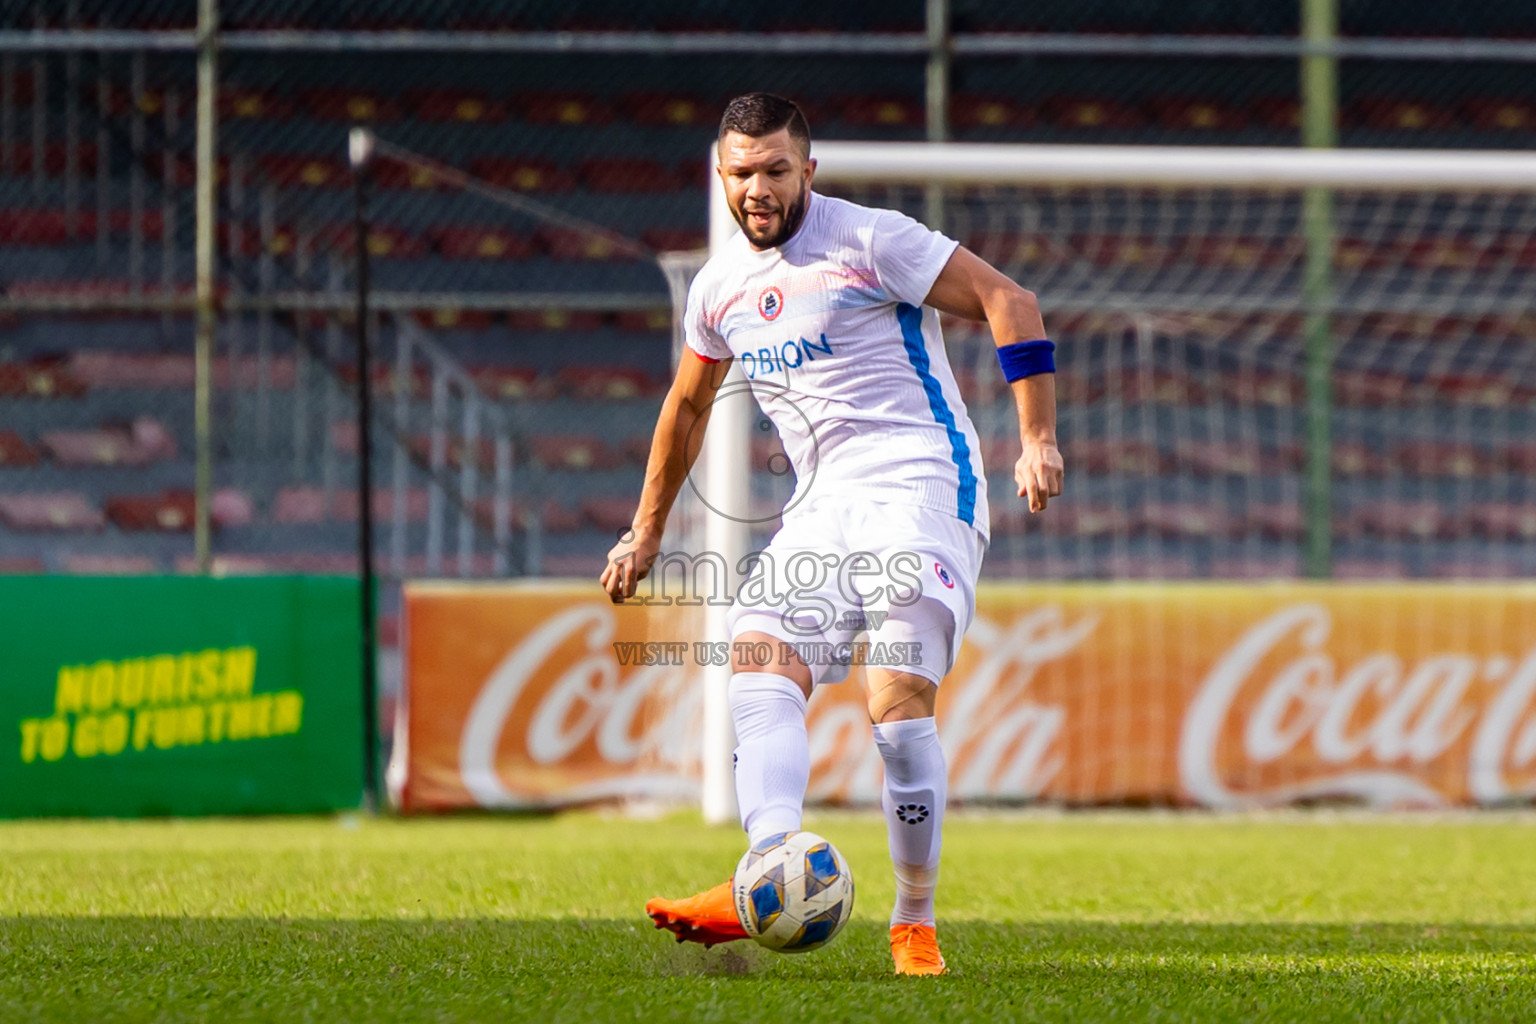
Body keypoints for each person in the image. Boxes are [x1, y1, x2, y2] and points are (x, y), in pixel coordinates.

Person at [600, 92, 1062, 976]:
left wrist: (1037, 438)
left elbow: (1011, 300)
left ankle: (913, 923)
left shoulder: (870, 240)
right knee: (758, 659)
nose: (758, 189)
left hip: (922, 479)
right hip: (823, 502)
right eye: (741, 174)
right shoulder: (719, 288)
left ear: (807, 170)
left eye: (776, 170)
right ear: (720, 177)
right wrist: (644, 531)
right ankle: (768, 872)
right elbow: (687, 406)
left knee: (893, 706)